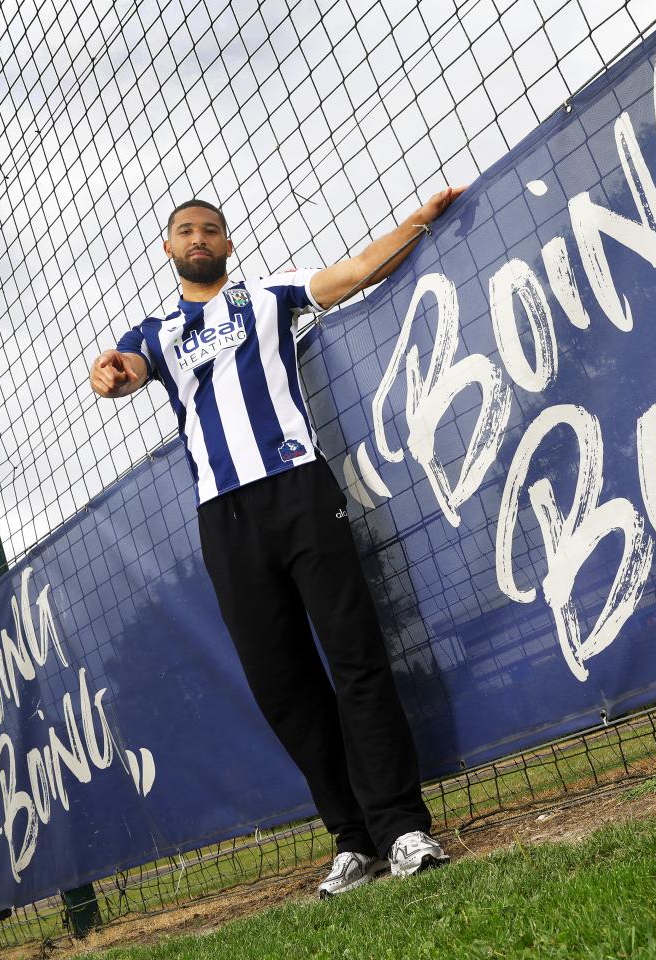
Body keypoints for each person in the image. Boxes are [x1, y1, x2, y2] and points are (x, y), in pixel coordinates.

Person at [89, 187, 465, 897]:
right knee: (283, 686)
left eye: (211, 229)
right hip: (223, 520)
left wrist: (418, 220)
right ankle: (352, 839)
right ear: (169, 250)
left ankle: (401, 826)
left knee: (354, 657)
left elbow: (353, 272)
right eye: (185, 231)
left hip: (298, 490)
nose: (198, 237)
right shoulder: (156, 332)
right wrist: (107, 375)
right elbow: (122, 373)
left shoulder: (270, 295)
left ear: (228, 245)